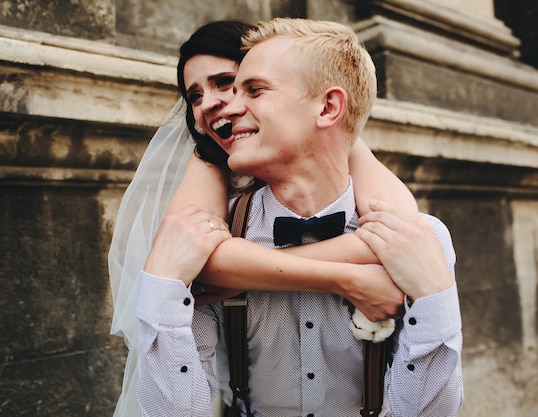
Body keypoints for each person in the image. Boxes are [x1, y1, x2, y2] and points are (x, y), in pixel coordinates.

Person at [134, 18, 463, 416]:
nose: (220, 107)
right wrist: (161, 293)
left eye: (248, 88)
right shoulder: (206, 233)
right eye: (196, 95)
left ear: (327, 106)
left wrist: (434, 299)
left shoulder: (412, 236)